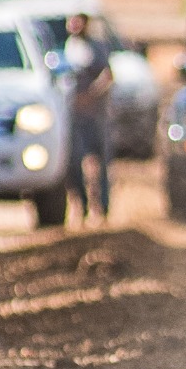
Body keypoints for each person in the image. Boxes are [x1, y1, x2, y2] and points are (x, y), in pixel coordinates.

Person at [62, 13, 114, 223]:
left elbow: (107, 76)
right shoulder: (67, 49)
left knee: (101, 162)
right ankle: (81, 206)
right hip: (75, 116)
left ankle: (103, 208)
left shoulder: (96, 47)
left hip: (95, 115)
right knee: (74, 163)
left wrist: (91, 95)